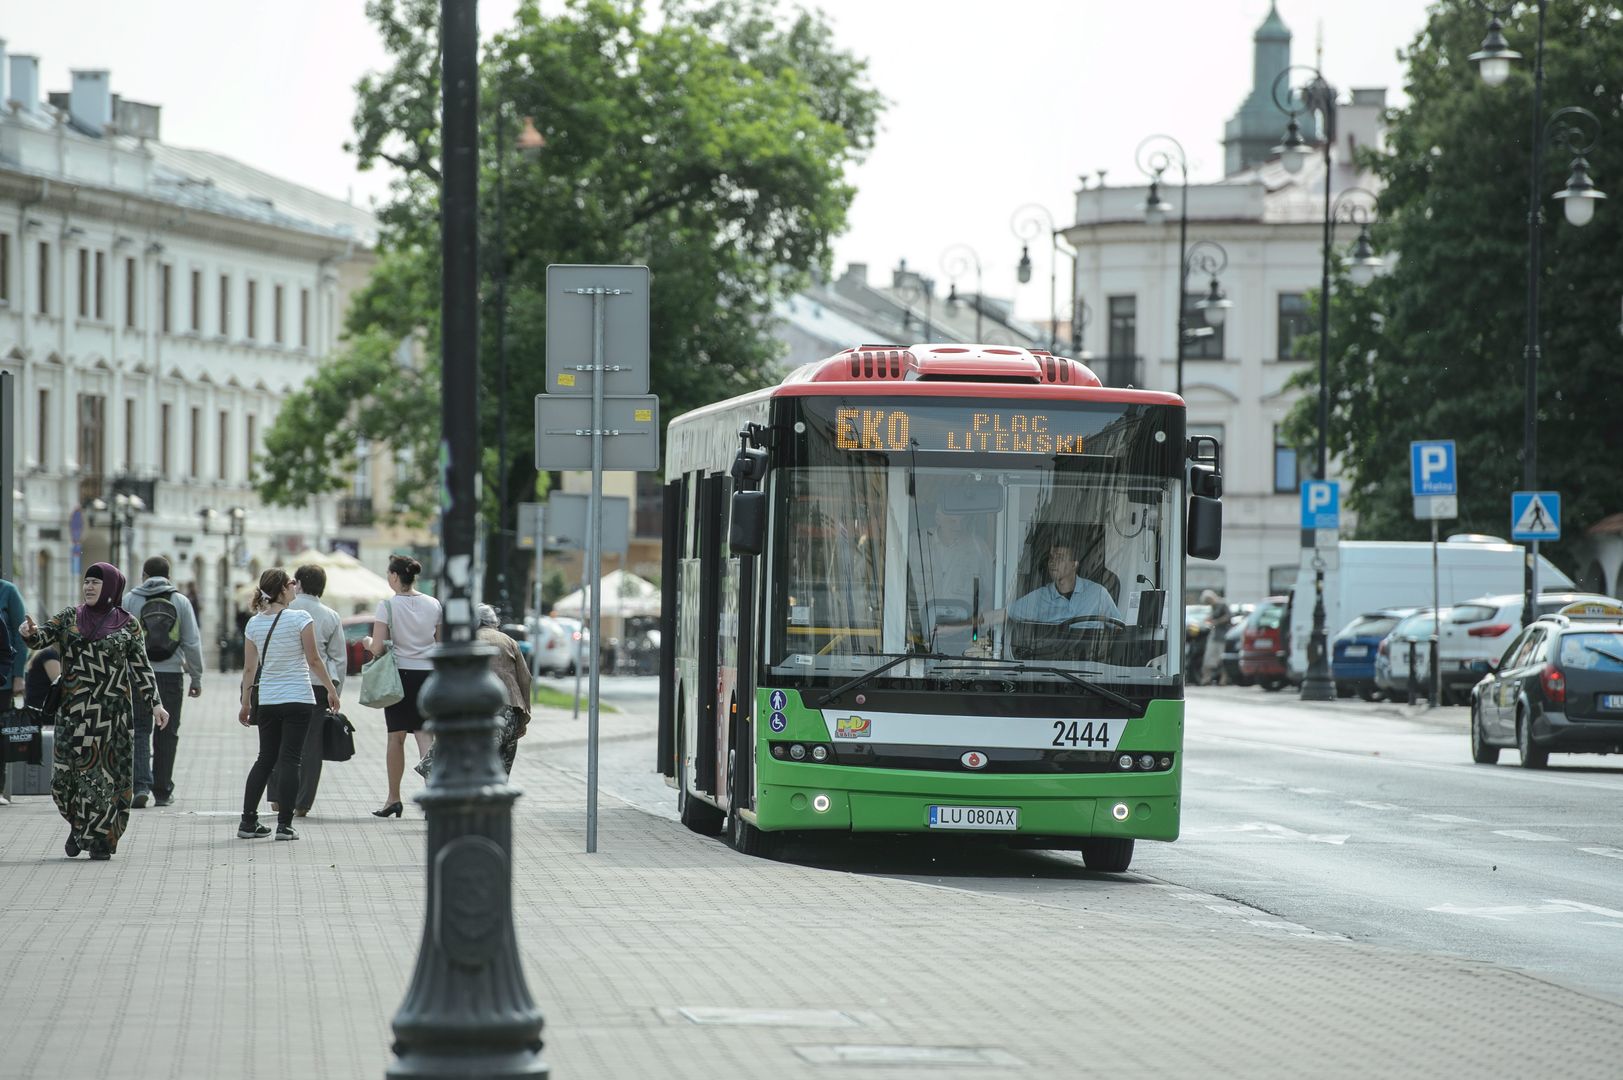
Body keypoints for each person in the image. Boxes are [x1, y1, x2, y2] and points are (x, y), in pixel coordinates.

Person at [18, 563, 168, 860]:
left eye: (96, 583)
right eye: (86, 582)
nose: (89, 587)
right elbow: (41, 638)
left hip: (113, 716)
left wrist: (156, 703)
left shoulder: (128, 624)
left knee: (109, 779)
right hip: (74, 713)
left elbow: (141, 668)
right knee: (64, 781)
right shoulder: (69, 617)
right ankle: (78, 825)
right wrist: (28, 632)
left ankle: (100, 840)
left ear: (111, 587)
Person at [235, 568, 341, 842]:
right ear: (282, 589)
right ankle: (284, 826)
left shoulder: (254, 624)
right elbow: (314, 660)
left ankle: (248, 821)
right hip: (298, 698)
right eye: (291, 583)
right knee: (291, 759)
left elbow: (249, 668)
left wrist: (245, 703)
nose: (295, 586)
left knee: (265, 759)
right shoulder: (301, 618)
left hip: (268, 700)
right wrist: (331, 690)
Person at [122, 556, 205, 808]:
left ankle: (140, 786)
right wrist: (196, 676)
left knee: (139, 729)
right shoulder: (180, 601)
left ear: (144, 575)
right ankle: (162, 790)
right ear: (169, 576)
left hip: (137, 674)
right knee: (167, 732)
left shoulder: (129, 600)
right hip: (170, 675)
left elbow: (120, 636)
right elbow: (192, 641)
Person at [266, 564, 345, 818]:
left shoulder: (282, 610)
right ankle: (302, 802)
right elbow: (339, 659)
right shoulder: (331, 616)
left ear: (297, 584)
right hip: (318, 686)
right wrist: (335, 690)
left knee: (278, 741)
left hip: (283, 683)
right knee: (311, 746)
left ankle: (277, 796)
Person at [366, 554, 441, 818]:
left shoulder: (386, 606)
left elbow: (376, 648)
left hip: (399, 677)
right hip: (428, 677)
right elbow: (439, 643)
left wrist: (366, 642)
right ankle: (432, 798)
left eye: (389, 574)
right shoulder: (434, 604)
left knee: (395, 737)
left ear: (395, 576)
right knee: (425, 737)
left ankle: (393, 799)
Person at [968, 540, 1123, 633]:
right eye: (1051, 558)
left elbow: (1119, 631)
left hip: (1091, 674)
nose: (1052, 562)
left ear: (1074, 564)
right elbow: (1002, 615)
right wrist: (956, 626)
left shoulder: (1098, 594)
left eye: (1060, 558)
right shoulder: (1039, 597)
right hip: (1047, 669)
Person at [1200, 589, 1231, 686]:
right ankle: (1207, 678)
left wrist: (1216, 622)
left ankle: (1223, 679)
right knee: (1208, 658)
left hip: (1222, 635)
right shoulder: (1213, 607)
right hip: (1214, 635)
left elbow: (1228, 617)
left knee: (1221, 658)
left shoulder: (1222, 604)